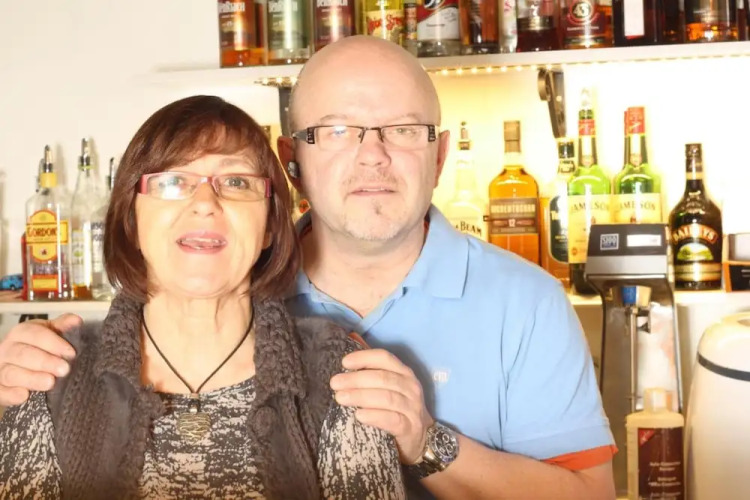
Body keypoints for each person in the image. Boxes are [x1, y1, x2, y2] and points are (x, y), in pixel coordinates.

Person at [0, 36, 615, 499]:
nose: (373, 157)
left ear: (441, 154)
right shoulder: (208, 286)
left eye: (403, 130)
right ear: (291, 162)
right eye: (339, 130)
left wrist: (427, 441)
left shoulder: (526, 303)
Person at [0, 95, 405, 499]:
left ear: (269, 225)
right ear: (131, 220)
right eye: (173, 182)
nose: (205, 204)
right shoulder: (48, 374)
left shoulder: (339, 373)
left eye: (236, 181)